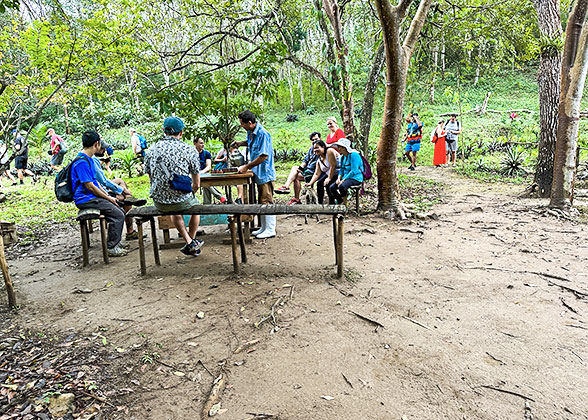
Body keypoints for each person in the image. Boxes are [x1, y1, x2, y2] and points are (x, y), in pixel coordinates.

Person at [144, 117, 203, 256]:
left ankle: (189, 241)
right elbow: (197, 184)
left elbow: (150, 177)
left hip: (160, 202)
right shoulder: (189, 149)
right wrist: (189, 192)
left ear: (164, 131)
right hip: (182, 200)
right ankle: (191, 240)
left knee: (174, 210)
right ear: (181, 132)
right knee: (195, 209)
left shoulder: (151, 149)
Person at [71, 131, 127, 257]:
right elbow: (90, 187)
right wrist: (109, 198)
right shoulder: (82, 162)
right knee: (118, 214)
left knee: (119, 207)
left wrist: (109, 197)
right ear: (96, 144)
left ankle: (115, 241)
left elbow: (96, 183)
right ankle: (111, 247)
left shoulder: (89, 159)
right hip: (85, 199)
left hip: (92, 196)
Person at [232, 110, 276, 239]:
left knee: (267, 200)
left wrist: (246, 166)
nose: (241, 125)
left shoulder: (263, 134)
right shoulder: (251, 133)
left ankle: (270, 229)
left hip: (265, 172)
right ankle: (263, 227)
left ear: (250, 123)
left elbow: (263, 156)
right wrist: (241, 143)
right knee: (261, 200)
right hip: (258, 172)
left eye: (242, 123)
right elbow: (251, 144)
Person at [93, 139, 146, 240]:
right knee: (124, 197)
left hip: (99, 187)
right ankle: (130, 231)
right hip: (98, 190)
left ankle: (129, 198)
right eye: (102, 148)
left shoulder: (91, 158)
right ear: (96, 146)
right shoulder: (91, 159)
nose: (104, 150)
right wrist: (121, 190)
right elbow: (102, 181)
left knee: (120, 181)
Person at [275, 132, 321, 205]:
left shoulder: (322, 149)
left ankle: (288, 189)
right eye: (312, 140)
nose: (314, 141)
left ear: (320, 139)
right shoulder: (311, 149)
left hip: (315, 173)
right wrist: (301, 167)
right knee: (295, 169)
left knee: (296, 176)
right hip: (308, 170)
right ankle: (292, 194)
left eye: (316, 139)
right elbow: (305, 160)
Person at [327, 138, 363, 204]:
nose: (338, 148)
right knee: (332, 187)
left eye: (339, 147)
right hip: (345, 177)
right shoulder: (343, 157)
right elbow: (342, 169)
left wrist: (343, 180)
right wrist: (338, 178)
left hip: (355, 177)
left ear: (344, 148)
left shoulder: (354, 155)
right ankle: (340, 200)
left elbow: (354, 171)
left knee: (342, 186)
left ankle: (345, 203)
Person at [193, 137, 227, 204]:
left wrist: (201, 172)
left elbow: (209, 166)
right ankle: (220, 197)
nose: (203, 145)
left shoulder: (206, 153)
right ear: (195, 143)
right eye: (200, 143)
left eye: (203, 143)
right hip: (194, 174)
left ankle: (207, 204)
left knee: (206, 183)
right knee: (206, 183)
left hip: (204, 173)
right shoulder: (191, 153)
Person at [305, 140, 340, 204]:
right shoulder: (319, 160)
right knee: (319, 183)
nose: (315, 150)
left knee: (328, 184)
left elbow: (333, 166)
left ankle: (335, 202)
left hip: (339, 173)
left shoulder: (329, 151)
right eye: (314, 148)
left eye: (317, 147)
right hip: (331, 174)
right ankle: (320, 203)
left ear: (323, 147)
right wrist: (310, 183)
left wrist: (329, 178)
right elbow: (316, 174)